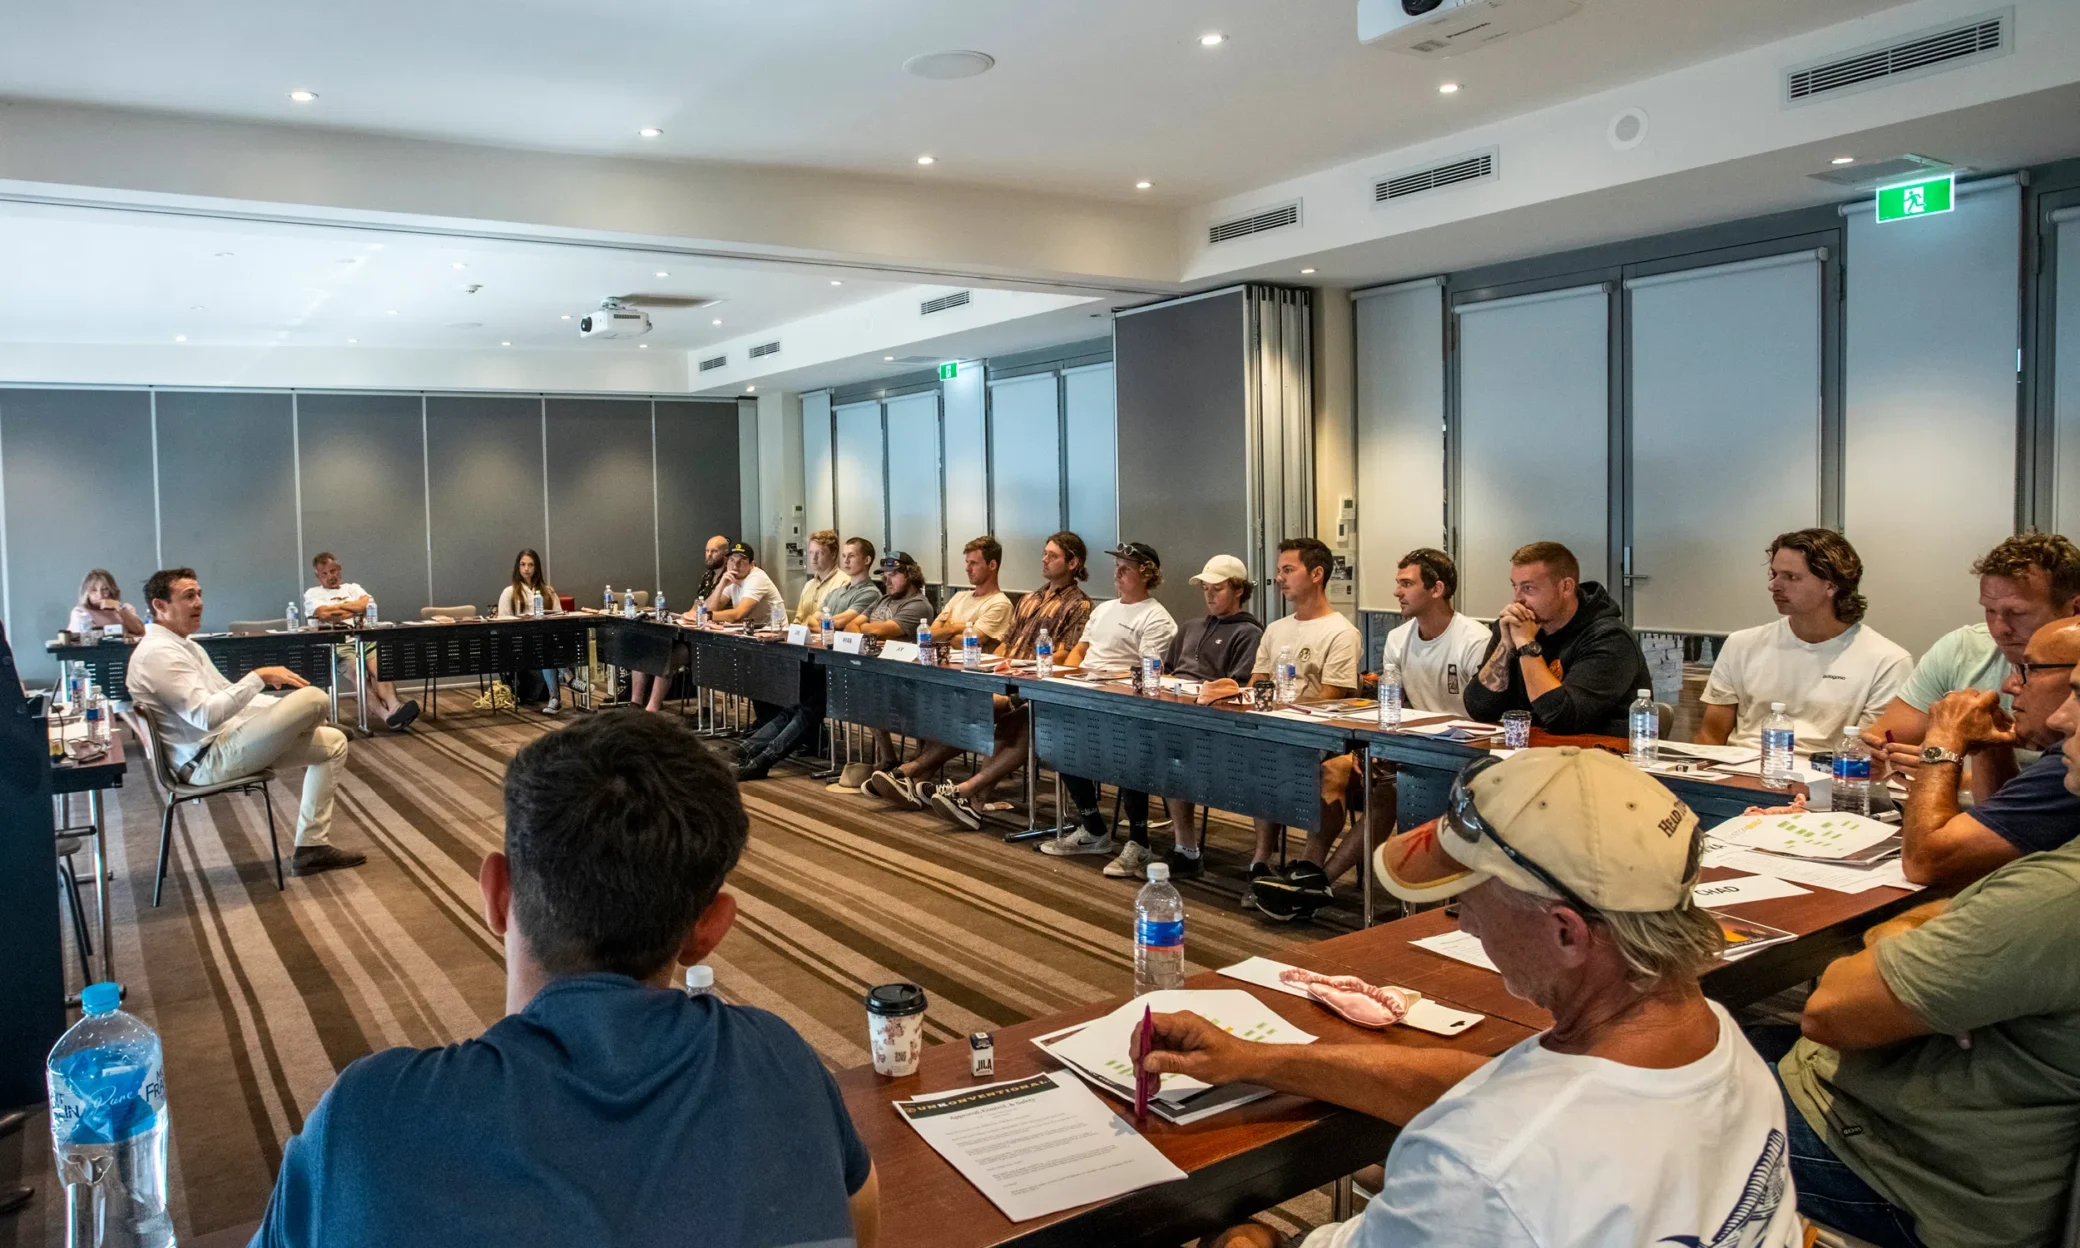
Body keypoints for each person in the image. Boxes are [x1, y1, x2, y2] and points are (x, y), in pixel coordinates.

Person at [249, 712, 879, 1248]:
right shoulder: (782, 1063)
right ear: (709, 929)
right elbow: (860, 1218)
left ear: (496, 895)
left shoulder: (368, 1119)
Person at [1145, 748, 1799, 1248]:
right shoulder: (1714, 1039)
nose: (1461, 919)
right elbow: (1497, 1087)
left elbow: (1496, 1136)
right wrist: (1258, 1059)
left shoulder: (1483, 1170)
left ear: (1567, 932)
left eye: (1470, 898)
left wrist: (1248, 1238)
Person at [1750, 662, 2080, 1248]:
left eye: (2078, 693)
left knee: (1637, 1095)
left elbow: (1830, 1010)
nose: (2060, 719)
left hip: (1907, 1175)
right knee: (1721, 1032)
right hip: (1935, 1120)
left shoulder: (2060, 897)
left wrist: (1942, 746)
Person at [128, 568, 364, 877]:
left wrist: (282, 711)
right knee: (315, 698)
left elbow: (230, 696)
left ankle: (311, 848)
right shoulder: (157, 654)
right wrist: (259, 677)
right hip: (205, 761)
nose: (199, 603)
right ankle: (311, 722)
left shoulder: (185, 646)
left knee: (333, 743)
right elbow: (207, 714)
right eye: (188, 596)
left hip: (225, 744)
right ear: (160, 606)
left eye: (199, 594)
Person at [866, 533, 1094, 830]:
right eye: (1044, 553)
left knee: (978, 713)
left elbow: (1065, 656)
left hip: (1035, 687)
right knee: (967, 706)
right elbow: (1006, 644)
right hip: (1006, 678)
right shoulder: (1030, 599)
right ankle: (922, 781)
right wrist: (996, 667)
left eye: (1052, 556)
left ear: (1073, 562)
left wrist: (1016, 668)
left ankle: (916, 773)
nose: (1044, 560)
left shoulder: (1080, 605)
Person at [1199, 538, 1363, 920]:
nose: (1279, 578)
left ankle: (1306, 868)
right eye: (1279, 570)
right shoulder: (1275, 630)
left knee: (1330, 771)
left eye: (1288, 570)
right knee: (1256, 755)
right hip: (1275, 729)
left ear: (1317, 574)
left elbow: (1330, 696)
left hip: (1323, 736)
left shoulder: (1341, 632)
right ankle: (1261, 859)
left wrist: (1277, 701)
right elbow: (1257, 682)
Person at [1863, 531, 2080, 779]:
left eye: (2017, 613)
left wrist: (1943, 770)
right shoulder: (1961, 649)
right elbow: (1882, 740)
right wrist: (1875, 755)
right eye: (1989, 610)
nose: (1999, 629)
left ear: (2075, 609)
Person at [1896, 616, 2080, 888]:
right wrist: (1990, 749)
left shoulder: (2067, 768)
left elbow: (1925, 862)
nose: (2009, 685)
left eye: (2028, 669)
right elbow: (1998, 827)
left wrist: (1944, 739)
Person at [1699, 529, 1913, 753]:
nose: (1774, 586)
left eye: (1791, 577)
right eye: (1774, 574)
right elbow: (1710, 737)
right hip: (1737, 775)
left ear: (1831, 585)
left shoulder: (1887, 661)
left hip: (1828, 779)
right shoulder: (1740, 645)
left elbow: (1869, 756)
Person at [1126, 555, 1265, 881]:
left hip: (1214, 723)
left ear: (1239, 590)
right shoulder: (1190, 627)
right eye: (1205, 588)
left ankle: (1182, 848)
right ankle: (1174, 845)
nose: (1209, 595)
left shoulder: (1248, 633)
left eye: (1217, 588)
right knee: (1132, 740)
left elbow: (1238, 689)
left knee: (1171, 748)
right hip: (1177, 712)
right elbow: (1167, 671)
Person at [1045, 542, 1179, 870]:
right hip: (1088, 692)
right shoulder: (1104, 609)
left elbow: (1149, 670)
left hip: (1126, 704)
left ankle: (1139, 840)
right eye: (1117, 566)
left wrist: (1099, 677)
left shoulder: (1156, 618)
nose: (1117, 574)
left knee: (1126, 752)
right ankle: (1093, 828)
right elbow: (1080, 650)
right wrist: (1070, 675)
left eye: (1126, 568)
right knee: (1058, 741)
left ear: (1146, 575)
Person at [1463, 540, 1651, 737]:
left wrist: (1527, 647)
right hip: (1532, 752)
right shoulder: (1516, 630)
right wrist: (1506, 646)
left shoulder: (1610, 638)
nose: (1517, 599)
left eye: (1528, 588)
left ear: (1566, 587)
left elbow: (1563, 719)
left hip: (1598, 757)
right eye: (1515, 587)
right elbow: (1478, 709)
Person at [734, 537, 882, 782]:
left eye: (851, 555)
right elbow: (816, 620)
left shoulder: (870, 593)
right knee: (793, 705)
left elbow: (839, 622)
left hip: (847, 669)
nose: (846, 560)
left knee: (808, 708)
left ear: (866, 560)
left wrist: (826, 622)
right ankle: (747, 750)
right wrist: (826, 622)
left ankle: (764, 759)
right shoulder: (837, 591)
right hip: (824, 661)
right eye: (844, 555)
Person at [303, 552, 420, 732]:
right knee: (358, 674)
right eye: (324, 574)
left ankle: (396, 707)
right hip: (339, 644)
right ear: (318, 576)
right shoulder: (313, 594)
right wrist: (353, 609)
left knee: (380, 670)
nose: (330, 577)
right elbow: (324, 614)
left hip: (365, 639)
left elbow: (366, 606)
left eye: (333, 571)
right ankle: (387, 716)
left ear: (339, 570)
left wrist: (339, 610)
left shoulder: (354, 588)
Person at [1377, 548, 1490, 719]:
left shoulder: (1476, 641)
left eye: (1406, 584)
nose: (1397, 592)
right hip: (1416, 736)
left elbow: (1488, 712)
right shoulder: (1396, 638)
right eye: (1398, 583)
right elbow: (1391, 706)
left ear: (1436, 589)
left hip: (1469, 738)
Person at [629, 535, 731, 712]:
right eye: (707, 551)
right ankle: (635, 704)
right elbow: (696, 607)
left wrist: (696, 613)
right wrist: (687, 616)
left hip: (714, 641)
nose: (709, 555)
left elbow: (712, 608)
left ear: (725, 553)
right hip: (694, 635)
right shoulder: (707, 576)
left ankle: (651, 709)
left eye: (714, 551)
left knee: (666, 657)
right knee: (646, 650)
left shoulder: (728, 578)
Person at [495, 548, 565, 716]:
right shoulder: (509, 592)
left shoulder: (548, 592)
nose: (526, 569)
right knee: (545, 647)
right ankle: (567, 678)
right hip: (520, 643)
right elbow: (502, 623)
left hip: (544, 641)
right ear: (517, 567)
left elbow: (560, 617)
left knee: (548, 645)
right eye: (523, 564)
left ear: (537, 568)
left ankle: (556, 697)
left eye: (531, 565)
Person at [922, 536, 1017, 652]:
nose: (967, 569)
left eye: (974, 563)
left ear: (992, 565)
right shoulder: (959, 596)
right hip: (943, 663)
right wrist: (960, 627)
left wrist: (947, 629)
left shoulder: (1000, 604)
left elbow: (966, 643)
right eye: (967, 562)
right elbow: (930, 635)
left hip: (970, 666)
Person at [703, 542, 787, 629]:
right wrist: (720, 586)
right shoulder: (731, 577)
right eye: (732, 560)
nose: (735, 566)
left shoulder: (756, 578)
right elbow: (711, 608)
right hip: (751, 632)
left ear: (752, 565)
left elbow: (738, 614)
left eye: (741, 561)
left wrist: (705, 616)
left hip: (774, 634)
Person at [69, 569, 146, 638]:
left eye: (105, 589)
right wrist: (125, 635)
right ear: (87, 593)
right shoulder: (80, 612)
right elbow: (89, 638)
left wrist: (119, 607)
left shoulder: (125, 608)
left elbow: (140, 631)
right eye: (94, 590)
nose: (100, 595)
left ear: (112, 590)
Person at [791, 529, 845, 626]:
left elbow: (838, 621)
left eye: (820, 553)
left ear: (833, 554)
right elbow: (798, 620)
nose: (814, 558)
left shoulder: (844, 583)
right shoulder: (808, 585)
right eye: (811, 552)